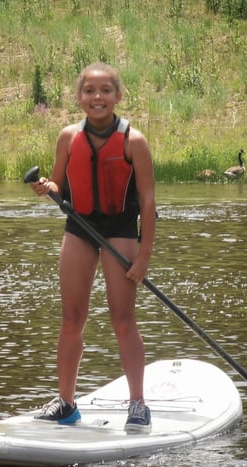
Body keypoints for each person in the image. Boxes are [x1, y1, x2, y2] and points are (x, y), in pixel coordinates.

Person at [29, 62, 156, 432]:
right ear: (79, 97)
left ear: (118, 96)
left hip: (119, 229)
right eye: (89, 91)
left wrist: (144, 256)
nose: (97, 97)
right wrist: (46, 188)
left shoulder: (135, 141)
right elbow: (59, 186)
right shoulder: (68, 137)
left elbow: (148, 203)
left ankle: (138, 404)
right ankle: (67, 403)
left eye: (105, 91)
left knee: (122, 319)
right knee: (71, 319)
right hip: (80, 228)